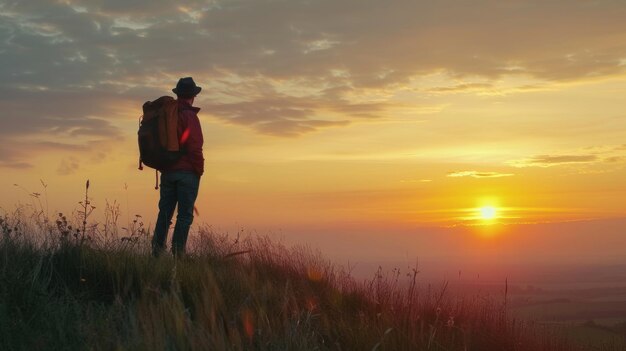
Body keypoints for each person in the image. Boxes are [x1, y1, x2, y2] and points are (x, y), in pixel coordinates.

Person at [152, 77, 204, 257]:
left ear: (178, 93)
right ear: (193, 96)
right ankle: (177, 256)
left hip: (167, 171)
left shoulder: (167, 113)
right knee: (184, 216)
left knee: (164, 215)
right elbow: (194, 145)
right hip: (187, 173)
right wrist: (199, 170)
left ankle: (156, 254)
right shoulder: (189, 116)